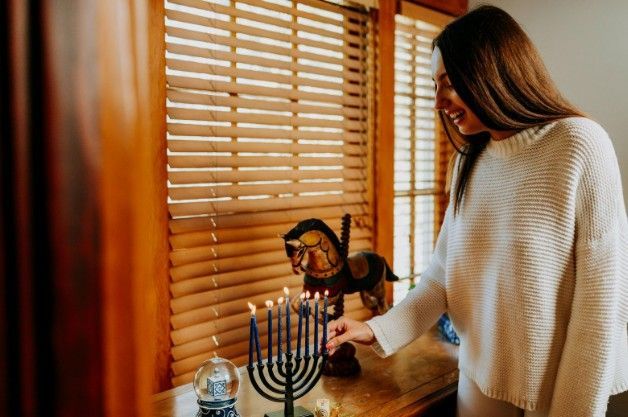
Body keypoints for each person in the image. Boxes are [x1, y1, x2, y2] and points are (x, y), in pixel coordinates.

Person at [325, 5, 628, 417]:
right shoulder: (468, 163)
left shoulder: (580, 146)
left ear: (490, 73)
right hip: (479, 381)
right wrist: (375, 328)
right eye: (435, 85)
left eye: (447, 84)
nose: (438, 102)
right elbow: (440, 280)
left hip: (564, 388)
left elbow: (599, 310)